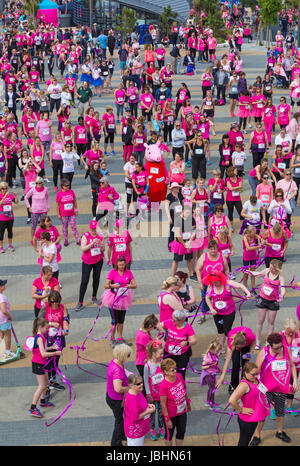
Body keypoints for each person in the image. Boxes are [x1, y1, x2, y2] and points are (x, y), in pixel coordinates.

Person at [251, 333, 299, 445]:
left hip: (281, 389)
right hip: (266, 389)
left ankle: (280, 432)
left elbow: (292, 366)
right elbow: (256, 372)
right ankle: (257, 435)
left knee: (280, 411)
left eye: (280, 347)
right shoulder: (264, 353)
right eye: (275, 348)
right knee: (262, 413)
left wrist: (295, 381)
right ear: (270, 345)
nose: (278, 350)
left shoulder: (286, 350)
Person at [204, 271, 251, 353]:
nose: (214, 283)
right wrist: (211, 309)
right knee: (220, 330)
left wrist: (248, 293)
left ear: (221, 279)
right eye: (213, 281)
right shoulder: (210, 286)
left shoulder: (228, 284)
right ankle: (221, 348)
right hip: (217, 313)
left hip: (229, 312)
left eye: (216, 281)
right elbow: (207, 298)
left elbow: (240, 286)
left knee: (227, 331)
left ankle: (230, 347)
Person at [228, 362, 270, 446]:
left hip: (253, 417)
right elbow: (232, 400)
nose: (255, 376)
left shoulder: (255, 380)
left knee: (246, 439)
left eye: (257, 374)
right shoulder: (244, 385)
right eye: (253, 374)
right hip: (247, 419)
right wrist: (241, 409)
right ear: (245, 373)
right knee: (244, 442)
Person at [28, 318, 61, 418]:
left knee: (46, 383)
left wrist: (51, 348)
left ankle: (42, 401)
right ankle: (32, 408)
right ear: (40, 327)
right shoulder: (39, 338)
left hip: (42, 363)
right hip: (38, 364)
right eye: (46, 328)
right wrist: (55, 352)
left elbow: (43, 349)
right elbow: (43, 354)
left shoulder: (41, 336)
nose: (47, 330)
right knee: (42, 386)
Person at [249, 259, 286, 348]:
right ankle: (257, 342)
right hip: (263, 299)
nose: (270, 268)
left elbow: (283, 289)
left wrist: (281, 296)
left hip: (273, 301)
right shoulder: (267, 271)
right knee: (260, 321)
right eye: (270, 266)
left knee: (271, 322)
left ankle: (268, 341)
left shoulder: (280, 276)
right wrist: (249, 271)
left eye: (273, 268)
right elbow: (257, 274)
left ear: (277, 268)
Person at [102, 256, 137, 346]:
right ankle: (112, 338)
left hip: (124, 298)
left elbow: (135, 285)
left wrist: (130, 286)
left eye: (123, 264)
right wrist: (113, 286)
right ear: (117, 264)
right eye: (120, 264)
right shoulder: (112, 272)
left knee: (121, 319)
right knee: (114, 320)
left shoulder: (128, 272)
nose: (121, 266)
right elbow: (106, 285)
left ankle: (120, 337)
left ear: (125, 264)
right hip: (113, 298)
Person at [74, 220, 105, 312]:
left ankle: (94, 297)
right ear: (89, 228)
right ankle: (80, 302)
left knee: (96, 278)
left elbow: (103, 249)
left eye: (94, 229)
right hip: (87, 262)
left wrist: (100, 245)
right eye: (92, 229)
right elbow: (83, 249)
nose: (93, 231)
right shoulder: (86, 236)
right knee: (84, 281)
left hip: (98, 261)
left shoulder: (100, 236)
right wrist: (92, 243)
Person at [159, 358, 191, 446]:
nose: (175, 371)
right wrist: (167, 419)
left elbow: (184, 390)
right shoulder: (164, 385)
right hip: (171, 414)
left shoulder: (179, 376)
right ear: (165, 372)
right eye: (172, 370)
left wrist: (188, 403)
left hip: (182, 411)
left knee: (181, 432)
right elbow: (163, 404)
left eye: (175, 368)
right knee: (169, 435)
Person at [157, 309, 196, 380]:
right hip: (168, 353)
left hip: (182, 355)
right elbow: (158, 325)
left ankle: (181, 388)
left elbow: (194, 341)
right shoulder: (169, 322)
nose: (173, 321)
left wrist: (187, 343)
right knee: (167, 371)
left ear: (181, 320)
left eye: (174, 320)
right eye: (172, 319)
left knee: (180, 373)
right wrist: (161, 330)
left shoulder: (188, 327)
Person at [106, 343, 132, 446]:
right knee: (120, 421)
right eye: (128, 355)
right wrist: (130, 388)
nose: (129, 357)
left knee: (121, 419)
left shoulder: (116, 362)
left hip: (112, 397)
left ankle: (122, 435)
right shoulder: (117, 370)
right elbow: (118, 389)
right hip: (117, 400)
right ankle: (116, 443)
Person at [124, 373, 155, 446]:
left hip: (140, 427)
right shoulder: (132, 399)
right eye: (138, 384)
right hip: (134, 430)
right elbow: (135, 417)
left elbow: (140, 404)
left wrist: (147, 405)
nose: (141, 385)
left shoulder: (138, 392)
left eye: (141, 382)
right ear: (131, 386)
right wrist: (148, 411)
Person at [143, 339, 165, 440]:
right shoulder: (147, 366)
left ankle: (161, 428)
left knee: (161, 412)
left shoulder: (162, 363)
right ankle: (152, 430)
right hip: (152, 394)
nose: (162, 355)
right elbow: (146, 381)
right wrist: (148, 394)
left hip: (161, 393)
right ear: (154, 353)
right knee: (152, 412)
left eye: (162, 353)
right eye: (160, 354)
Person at [56, 179, 80, 247]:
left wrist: (76, 209)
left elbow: (74, 201)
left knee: (73, 226)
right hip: (64, 214)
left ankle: (77, 239)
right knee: (65, 227)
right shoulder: (59, 194)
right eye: (66, 185)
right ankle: (66, 240)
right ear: (62, 186)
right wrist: (58, 214)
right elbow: (57, 205)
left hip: (72, 213)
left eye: (68, 185)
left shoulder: (71, 192)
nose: (68, 186)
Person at [25, 177, 50, 241]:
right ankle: (32, 239)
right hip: (34, 211)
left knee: (44, 225)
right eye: (36, 183)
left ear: (42, 183)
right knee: (33, 226)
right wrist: (29, 207)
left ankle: (43, 238)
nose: (38, 184)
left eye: (39, 183)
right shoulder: (32, 190)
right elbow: (26, 197)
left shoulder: (46, 189)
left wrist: (48, 206)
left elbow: (47, 198)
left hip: (43, 210)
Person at [135, 314, 159, 379]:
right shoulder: (144, 336)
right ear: (150, 326)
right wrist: (157, 340)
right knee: (146, 383)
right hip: (143, 362)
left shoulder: (141, 331)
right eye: (154, 327)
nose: (154, 329)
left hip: (141, 361)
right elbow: (152, 348)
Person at [200, 339, 221, 407]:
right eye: (217, 351)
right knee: (212, 388)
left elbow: (217, 363)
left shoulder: (215, 355)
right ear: (212, 349)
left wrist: (220, 370)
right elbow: (202, 367)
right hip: (207, 374)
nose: (218, 352)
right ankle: (209, 402)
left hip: (213, 373)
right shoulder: (207, 357)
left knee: (213, 388)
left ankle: (212, 401)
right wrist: (210, 365)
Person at [0, 181, 18, 253]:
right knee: (1, 232)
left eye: (6, 188)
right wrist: (4, 196)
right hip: (2, 217)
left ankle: (10, 245)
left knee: (10, 231)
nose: (4, 190)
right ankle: (1, 246)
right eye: (3, 188)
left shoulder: (10, 195)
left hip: (10, 217)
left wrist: (15, 196)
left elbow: (16, 202)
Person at [0, 279, 15, 361]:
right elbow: (4, 310)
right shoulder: (2, 297)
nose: (4, 286)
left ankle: (2, 351)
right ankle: (7, 351)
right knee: (7, 335)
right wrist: (10, 316)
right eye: (2, 285)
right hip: (4, 319)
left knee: (1, 335)